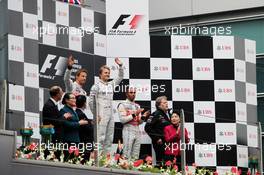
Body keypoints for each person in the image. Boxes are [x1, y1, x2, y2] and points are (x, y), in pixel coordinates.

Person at [89, 57, 124, 156]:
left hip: (110, 115)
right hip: (101, 115)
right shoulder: (95, 86)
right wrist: (96, 114)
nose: (108, 74)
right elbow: (91, 102)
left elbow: (120, 77)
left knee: (109, 138)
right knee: (100, 138)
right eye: (105, 73)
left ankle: (105, 160)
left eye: (108, 73)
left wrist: (120, 66)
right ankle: (97, 160)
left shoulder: (111, 85)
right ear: (100, 74)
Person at [117, 86, 150, 160]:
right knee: (127, 153)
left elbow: (139, 122)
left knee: (136, 154)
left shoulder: (137, 105)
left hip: (137, 130)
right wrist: (135, 114)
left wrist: (144, 116)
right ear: (126, 94)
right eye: (131, 92)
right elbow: (123, 120)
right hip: (128, 129)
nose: (133, 94)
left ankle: (134, 170)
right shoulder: (122, 104)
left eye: (134, 92)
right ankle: (125, 170)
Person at [145, 96, 171, 167]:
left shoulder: (167, 114)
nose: (167, 104)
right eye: (164, 102)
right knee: (162, 163)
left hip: (168, 143)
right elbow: (147, 127)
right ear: (159, 105)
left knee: (168, 163)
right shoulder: (156, 114)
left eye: (167, 102)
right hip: (160, 143)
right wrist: (156, 138)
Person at [76, 95, 94, 162]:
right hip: (84, 142)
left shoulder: (78, 113)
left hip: (83, 142)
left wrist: (90, 123)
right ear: (84, 103)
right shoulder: (80, 114)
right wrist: (91, 125)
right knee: (84, 161)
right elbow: (87, 128)